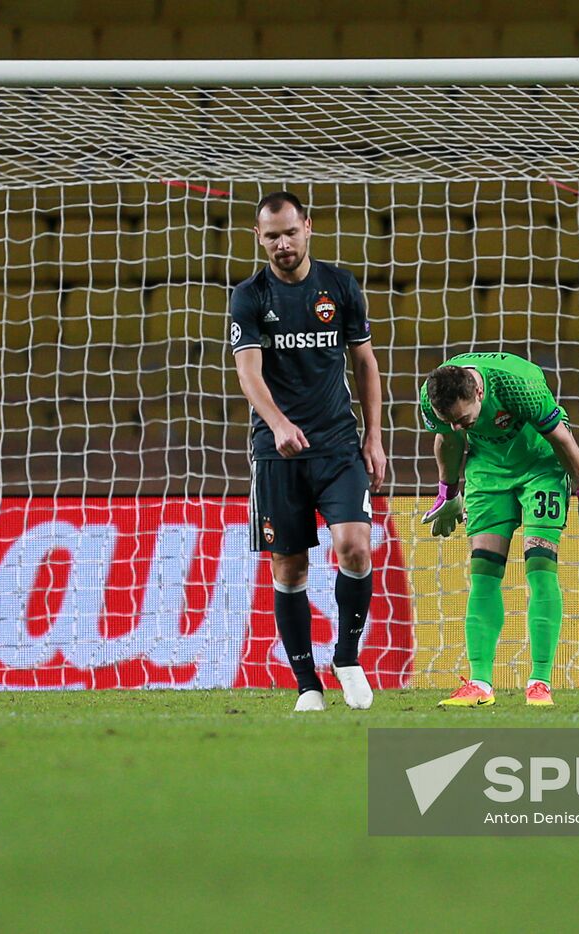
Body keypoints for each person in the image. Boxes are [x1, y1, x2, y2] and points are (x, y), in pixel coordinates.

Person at [229, 191, 386, 712]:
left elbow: (365, 363)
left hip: (339, 445)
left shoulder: (339, 286)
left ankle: (347, 657)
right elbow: (248, 371)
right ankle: (307, 687)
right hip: (277, 453)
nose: (282, 244)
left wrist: (374, 437)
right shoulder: (249, 296)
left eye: (290, 232)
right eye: (271, 236)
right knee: (289, 568)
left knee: (355, 547)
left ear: (308, 228)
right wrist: (276, 424)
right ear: (259, 238)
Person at [419, 352, 579, 708]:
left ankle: (540, 682)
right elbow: (447, 440)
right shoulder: (433, 397)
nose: (458, 426)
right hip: (487, 471)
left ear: (479, 394)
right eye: (449, 420)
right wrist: (448, 490)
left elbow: (562, 440)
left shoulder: (519, 384)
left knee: (540, 566)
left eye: (464, 419)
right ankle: (480, 684)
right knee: (483, 573)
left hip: (540, 465)